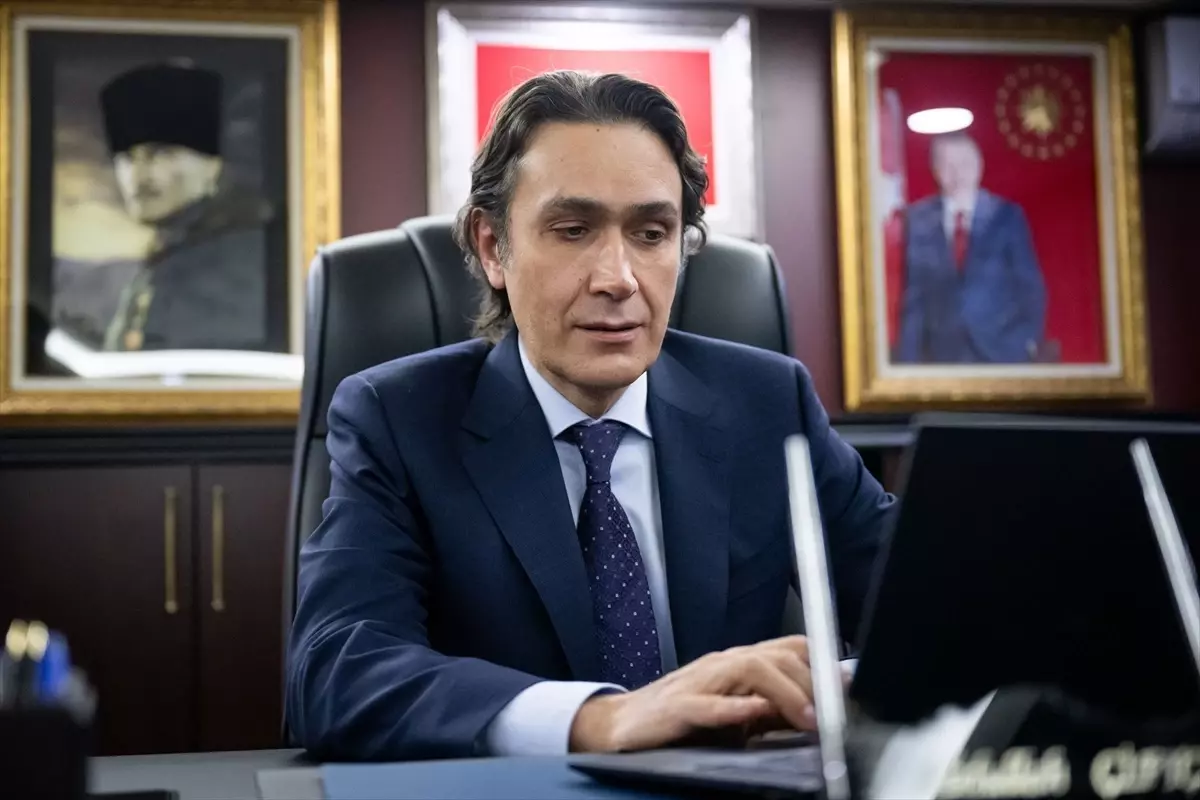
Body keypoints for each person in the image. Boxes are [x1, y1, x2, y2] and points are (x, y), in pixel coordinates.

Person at [286, 70, 895, 762]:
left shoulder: (766, 401)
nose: (619, 278)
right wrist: (602, 719)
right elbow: (336, 670)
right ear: (492, 247)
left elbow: (927, 608)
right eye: (573, 230)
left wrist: (827, 689)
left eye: (652, 233)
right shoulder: (398, 419)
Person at [99, 61, 273, 352]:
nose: (138, 177)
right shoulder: (169, 255)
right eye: (127, 157)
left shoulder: (235, 262)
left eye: (160, 153)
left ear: (213, 166)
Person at [894, 131, 1047, 364]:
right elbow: (914, 297)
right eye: (948, 165)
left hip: (1002, 352)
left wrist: (1025, 342)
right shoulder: (917, 220)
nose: (958, 174)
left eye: (965, 163)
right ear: (935, 170)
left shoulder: (1006, 216)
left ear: (979, 165)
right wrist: (906, 363)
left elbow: (1030, 287)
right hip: (941, 356)